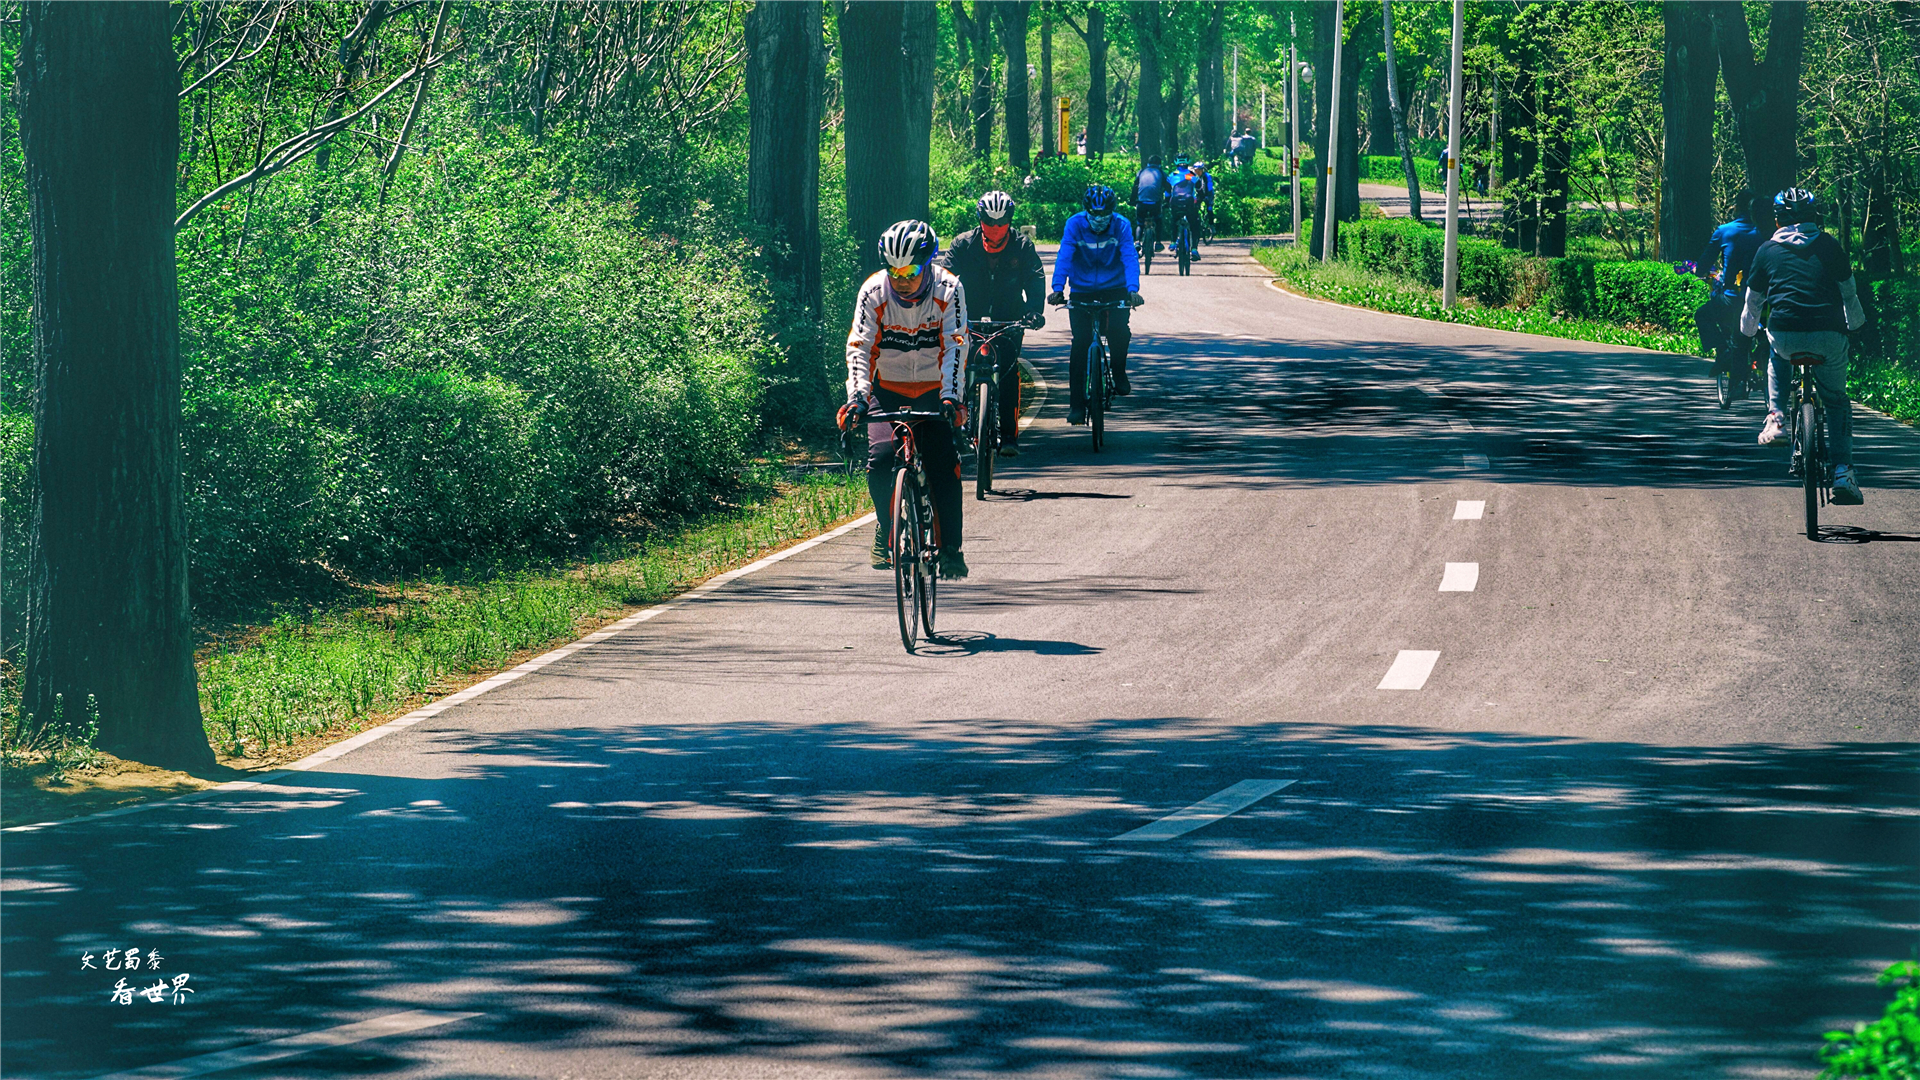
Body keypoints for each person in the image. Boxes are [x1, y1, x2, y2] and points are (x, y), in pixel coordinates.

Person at [845, 220, 971, 576]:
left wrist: (951, 397)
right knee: (882, 460)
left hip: (934, 389)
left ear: (928, 264)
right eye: (894, 271)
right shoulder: (874, 292)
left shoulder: (949, 289)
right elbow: (860, 347)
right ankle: (888, 527)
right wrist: (857, 398)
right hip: (887, 390)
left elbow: (956, 346)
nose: (902, 279)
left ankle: (950, 550)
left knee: (944, 466)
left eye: (911, 271)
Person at [1741, 188, 1869, 505]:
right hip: (1829, 335)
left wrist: (1745, 333)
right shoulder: (1828, 245)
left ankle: (1776, 418)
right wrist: (1856, 327)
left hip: (1785, 333)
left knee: (1776, 354)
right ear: (1814, 217)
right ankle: (1843, 472)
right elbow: (1848, 293)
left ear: (1777, 218)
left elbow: (1753, 301)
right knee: (1837, 401)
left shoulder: (1767, 250)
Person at [936, 190, 1047, 458]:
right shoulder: (963, 245)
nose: (995, 229)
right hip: (967, 318)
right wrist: (939, 310)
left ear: (1009, 221)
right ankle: (954, 429)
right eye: (989, 222)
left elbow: (1035, 279)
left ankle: (1009, 436)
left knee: (1008, 372)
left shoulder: (1022, 246)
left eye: (1001, 223)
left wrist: (1033, 311)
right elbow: (943, 279)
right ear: (980, 220)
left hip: (1008, 318)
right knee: (958, 368)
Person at [1047, 185, 1144, 425]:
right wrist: (1058, 289)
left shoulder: (1121, 225)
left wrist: (1133, 290)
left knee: (1119, 331)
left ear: (1112, 211)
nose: (1099, 219)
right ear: (1086, 210)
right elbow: (1064, 256)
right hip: (1082, 290)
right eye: (1094, 214)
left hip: (1115, 288)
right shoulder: (1074, 224)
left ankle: (1119, 371)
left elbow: (1129, 257)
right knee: (1080, 344)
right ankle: (1076, 405)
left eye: (1104, 214)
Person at [1697, 191, 1771, 377]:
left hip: (1736, 298)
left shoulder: (1724, 231)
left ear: (1737, 207)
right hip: (1770, 299)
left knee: (1703, 315)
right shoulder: (1769, 234)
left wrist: (1704, 272)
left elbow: (1704, 265)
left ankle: (1724, 350)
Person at [1132, 155, 1171, 251]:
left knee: (1140, 224)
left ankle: (1137, 242)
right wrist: (1167, 201)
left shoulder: (1141, 172)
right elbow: (1168, 188)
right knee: (1158, 220)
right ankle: (1158, 243)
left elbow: (1135, 187)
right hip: (1155, 203)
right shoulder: (1161, 173)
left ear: (1148, 163)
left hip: (1141, 202)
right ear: (1159, 164)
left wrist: (1132, 200)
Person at [1168, 159, 1204, 261]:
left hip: (1175, 203)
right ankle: (1194, 250)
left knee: (1173, 220)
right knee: (1195, 225)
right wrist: (1201, 199)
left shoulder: (1172, 175)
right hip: (1189, 203)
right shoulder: (1192, 176)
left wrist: (1166, 202)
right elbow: (1199, 190)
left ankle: (1173, 242)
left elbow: (1167, 191)